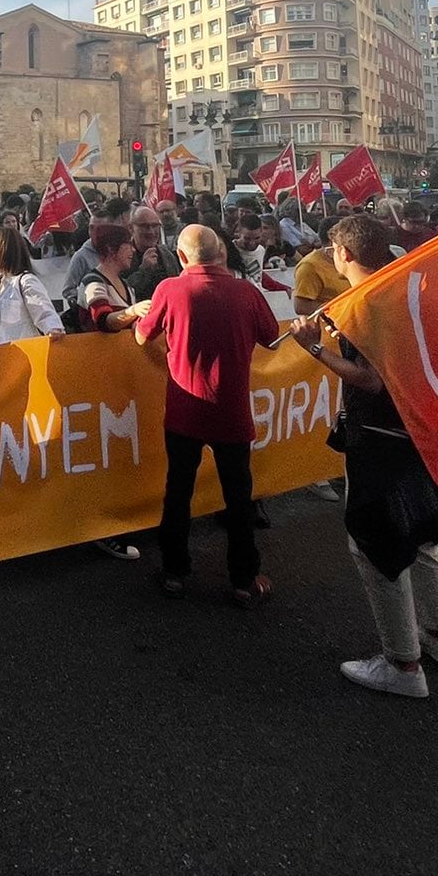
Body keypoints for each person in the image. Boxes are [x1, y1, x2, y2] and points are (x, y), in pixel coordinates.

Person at [290, 215, 438, 700]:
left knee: (375, 544)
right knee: (423, 535)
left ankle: (402, 664)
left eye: (333, 252)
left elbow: (368, 377)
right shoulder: (404, 288)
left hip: (380, 434)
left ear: (344, 254)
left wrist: (315, 350)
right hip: (421, 427)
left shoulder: (366, 301)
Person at [136, 224, 279, 604]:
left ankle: (174, 572)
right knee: (238, 496)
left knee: (178, 490)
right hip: (231, 411)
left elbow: (140, 335)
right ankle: (243, 579)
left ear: (182, 258)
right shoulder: (246, 292)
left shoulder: (169, 289)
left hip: (183, 411)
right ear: (221, 254)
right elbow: (271, 337)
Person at [0, 227, 65, 342]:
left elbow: (44, 311)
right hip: (1, 353)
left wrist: (53, 329)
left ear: (1, 250)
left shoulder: (26, 281)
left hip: (25, 354)